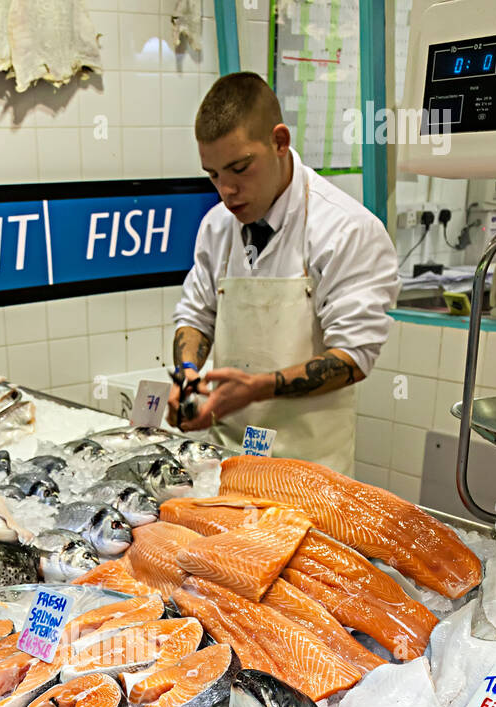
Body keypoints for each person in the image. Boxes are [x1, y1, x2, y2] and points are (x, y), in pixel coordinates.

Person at [168, 71, 400, 474]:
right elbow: (196, 316)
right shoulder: (216, 226)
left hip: (311, 470)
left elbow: (353, 357)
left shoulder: (345, 230)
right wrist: (187, 375)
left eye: (240, 168)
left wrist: (256, 388)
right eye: (214, 175)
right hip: (227, 459)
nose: (227, 190)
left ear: (279, 141)